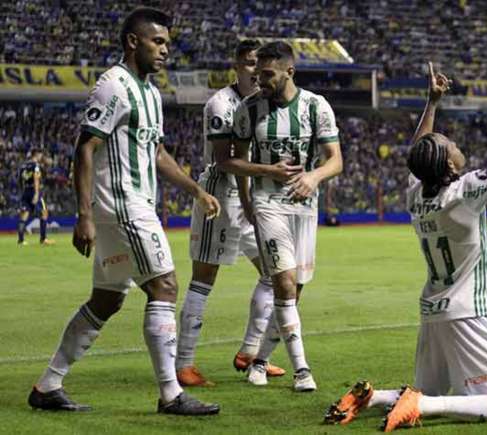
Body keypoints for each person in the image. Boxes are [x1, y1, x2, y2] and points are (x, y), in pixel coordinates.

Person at [325, 48, 487, 431]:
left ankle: (372, 397)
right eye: (448, 142)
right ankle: (422, 406)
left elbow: (417, 153)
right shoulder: (465, 193)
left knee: (433, 387)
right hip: (470, 312)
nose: (452, 142)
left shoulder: (416, 194)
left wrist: (431, 103)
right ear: (451, 165)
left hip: (433, 312)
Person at [28, 7, 221, 415]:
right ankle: (171, 394)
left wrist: (196, 190)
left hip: (128, 205)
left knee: (107, 300)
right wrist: (82, 214)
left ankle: (48, 385)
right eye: (158, 41)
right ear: (134, 42)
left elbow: (157, 153)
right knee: (164, 286)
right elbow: (86, 146)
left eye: (168, 42)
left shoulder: (150, 92)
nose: (166, 49)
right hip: (124, 203)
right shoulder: (113, 85)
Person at [220, 41, 343, 392]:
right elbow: (231, 161)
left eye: (268, 74)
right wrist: (252, 193)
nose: (261, 80)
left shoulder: (316, 107)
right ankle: (302, 370)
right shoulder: (248, 108)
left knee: (293, 292)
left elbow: (335, 159)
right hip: (267, 203)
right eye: (258, 74)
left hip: (304, 207)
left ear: (290, 71)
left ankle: (259, 360)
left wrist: (314, 177)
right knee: (284, 283)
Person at [176, 38, 286, 388]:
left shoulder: (266, 104)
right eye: (250, 63)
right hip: (221, 195)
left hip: (254, 197)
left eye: (261, 63)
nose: (256, 70)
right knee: (204, 278)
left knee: (275, 272)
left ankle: (250, 352)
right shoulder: (220, 104)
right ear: (237, 66)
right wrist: (265, 178)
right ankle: (184, 364)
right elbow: (226, 159)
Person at [17, 148, 55, 245]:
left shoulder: (23, 166)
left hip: (25, 191)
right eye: (40, 154)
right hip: (34, 191)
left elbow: (19, 180)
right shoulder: (35, 166)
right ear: (36, 154)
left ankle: (21, 240)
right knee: (44, 212)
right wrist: (36, 193)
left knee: (24, 215)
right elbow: (36, 178)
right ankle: (43, 238)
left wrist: (23, 191)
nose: (41, 156)